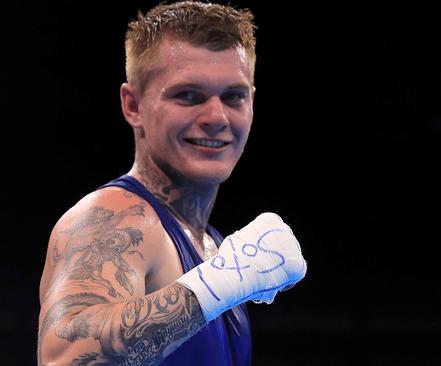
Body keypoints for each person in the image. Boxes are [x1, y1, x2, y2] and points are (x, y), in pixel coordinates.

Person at [37, 1, 307, 365]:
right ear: (133, 106)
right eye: (188, 96)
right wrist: (226, 280)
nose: (216, 116)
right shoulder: (116, 218)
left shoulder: (217, 248)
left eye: (233, 97)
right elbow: (64, 359)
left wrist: (226, 276)